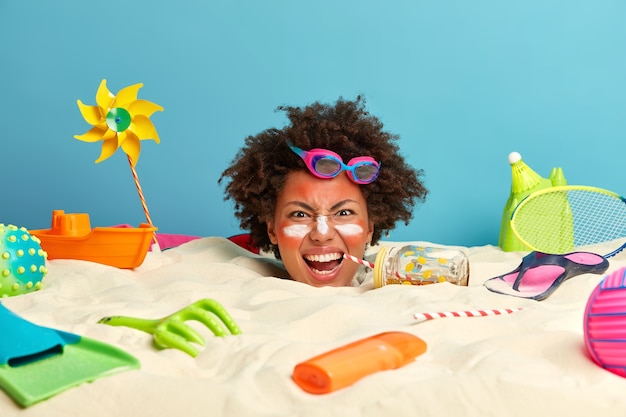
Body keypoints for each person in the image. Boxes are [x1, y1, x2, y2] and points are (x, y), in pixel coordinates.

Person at [219, 96, 427, 287]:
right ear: (272, 229)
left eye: (343, 213)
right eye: (300, 214)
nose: (322, 234)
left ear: (369, 228)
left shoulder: (406, 280)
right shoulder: (233, 280)